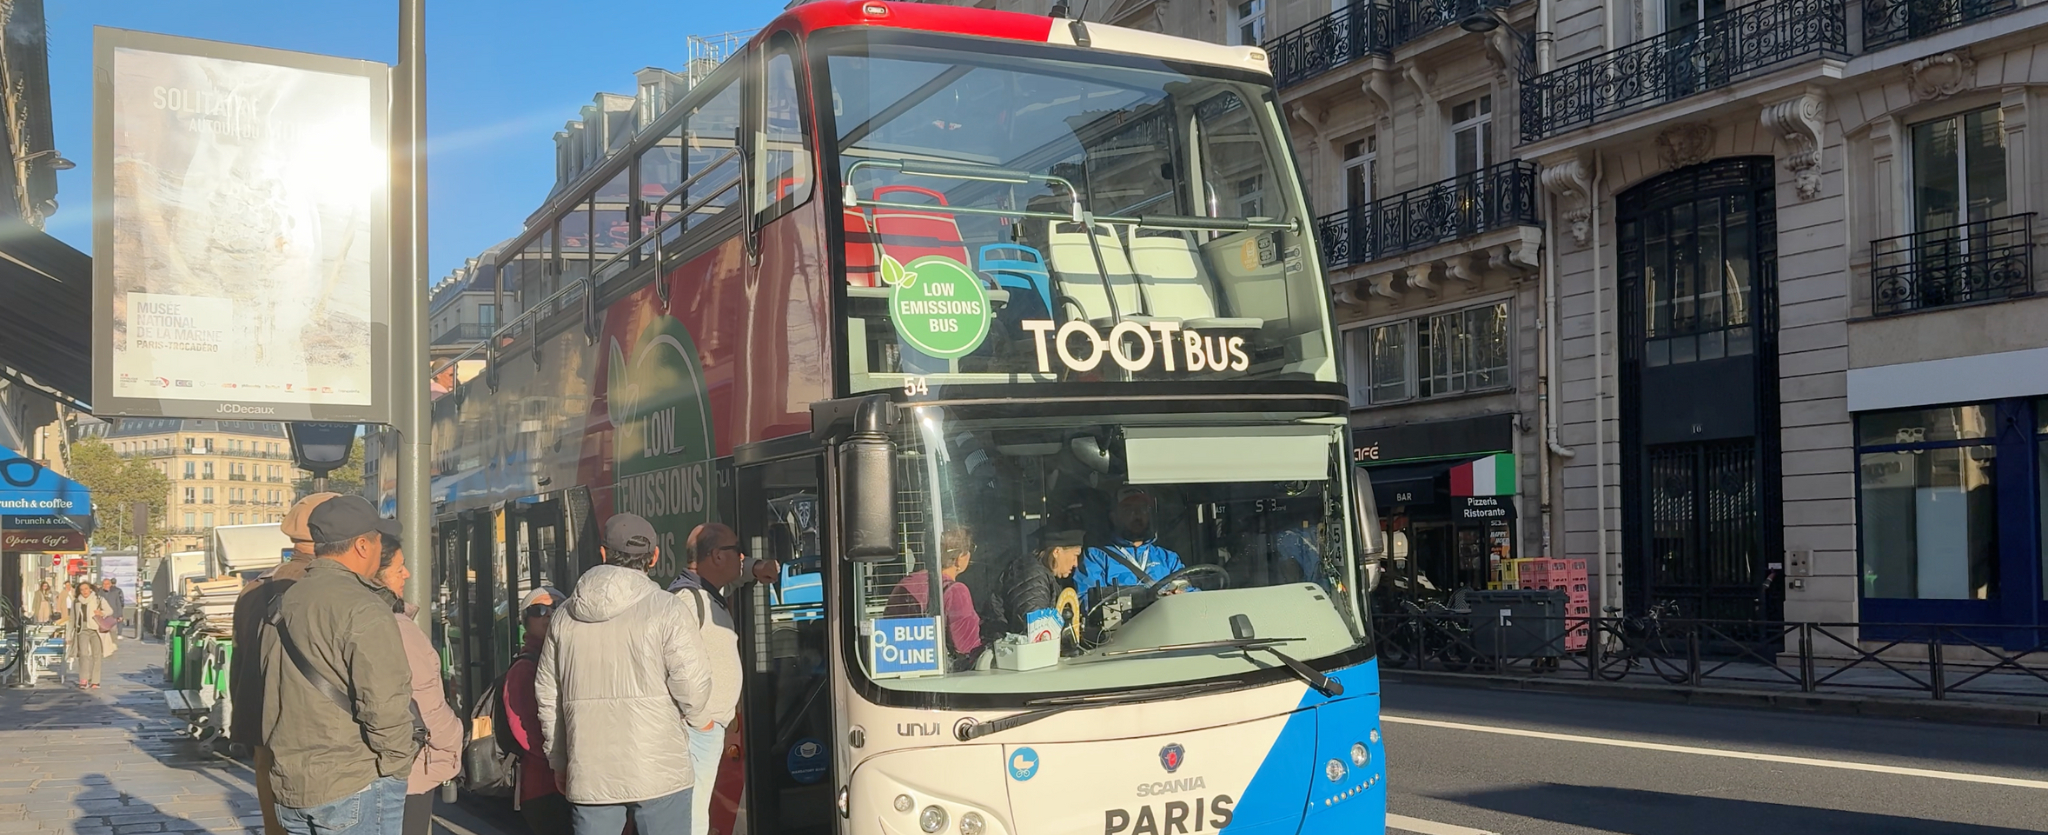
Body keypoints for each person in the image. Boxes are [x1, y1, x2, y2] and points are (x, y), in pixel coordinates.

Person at [536, 513, 717, 835]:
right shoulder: (668, 609)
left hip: (590, 771)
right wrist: (700, 716)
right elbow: (692, 686)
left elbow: (548, 695)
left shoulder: (563, 617)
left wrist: (559, 760)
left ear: (603, 553)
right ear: (655, 556)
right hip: (660, 770)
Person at [260, 495, 417, 835]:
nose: (379, 548)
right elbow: (385, 703)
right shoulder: (364, 608)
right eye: (377, 540)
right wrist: (396, 766)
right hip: (353, 782)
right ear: (362, 545)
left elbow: (271, 690)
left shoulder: (285, 602)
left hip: (293, 783)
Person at [231, 492, 341, 835]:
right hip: (320, 735)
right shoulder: (332, 589)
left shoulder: (253, 589)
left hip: (263, 727)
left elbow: (239, 662)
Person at [666, 523, 779, 835]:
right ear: (716, 556)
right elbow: (673, 668)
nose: (741, 556)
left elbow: (738, 573)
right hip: (695, 729)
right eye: (735, 550)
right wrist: (701, 720)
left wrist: (756, 568)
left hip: (706, 726)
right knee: (692, 815)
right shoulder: (688, 602)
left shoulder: (707, 593)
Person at [372, 533, 462, 835]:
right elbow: (428, 702)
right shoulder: (397, 627)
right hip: (407, 767)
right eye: (399, 568)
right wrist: (454, 743)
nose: (407, 574)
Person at [502, 588, 570, 835]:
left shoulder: (566, 658)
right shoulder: (524, 668)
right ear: (525, 621)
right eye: (539, 610)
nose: (548, 615)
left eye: (557, 608)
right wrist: (560, 762)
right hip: (544, 788)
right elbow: (525, 729)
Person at [884, 527, 983, 668]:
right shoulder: (957, 591)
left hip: (899, 668)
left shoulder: (906, 584)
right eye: (969, 550)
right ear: (959, 559)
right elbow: (967, 649)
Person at [1072, 487, 1187, 606]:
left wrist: (1181, 597)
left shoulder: (1169, 559)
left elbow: (1192, 594)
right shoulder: (1096, 557)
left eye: (1142, 509)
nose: (1137, 514)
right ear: (1114, 517)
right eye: (1128, 509)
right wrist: (1141, 600)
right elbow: (1085, 601)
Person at [986, 529, 1085, 639]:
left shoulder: (1041, 574)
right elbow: (1036, 632)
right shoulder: (1033, 577)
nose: (1076, 563)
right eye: (1075, 555)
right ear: (1056, 552)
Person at [67, 580, 115, 689]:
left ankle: (95, 681)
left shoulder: (98, 599)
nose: (84, 591)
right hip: (82, 629)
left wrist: (102, 613)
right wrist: (68, 636)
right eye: (82, 590)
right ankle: (84, 679)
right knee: (83, 654)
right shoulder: (76, 602)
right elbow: (72, 619)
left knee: (96, 655)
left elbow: (110, 611)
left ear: (91, 589)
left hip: (96, 629)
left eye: (86, 589)